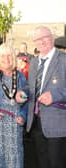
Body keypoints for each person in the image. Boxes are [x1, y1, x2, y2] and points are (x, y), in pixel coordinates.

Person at [16, 26, 66, 168]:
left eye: (44, 37)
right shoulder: (34, 62)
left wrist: (55, 95)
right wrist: (22, 93)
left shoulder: (63, 60)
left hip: (58, 125)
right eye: (37, 39)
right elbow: (30, 87)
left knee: (57, 164)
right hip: (36, 123)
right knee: (42, 163)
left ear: (52, 37)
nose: (41, 41)